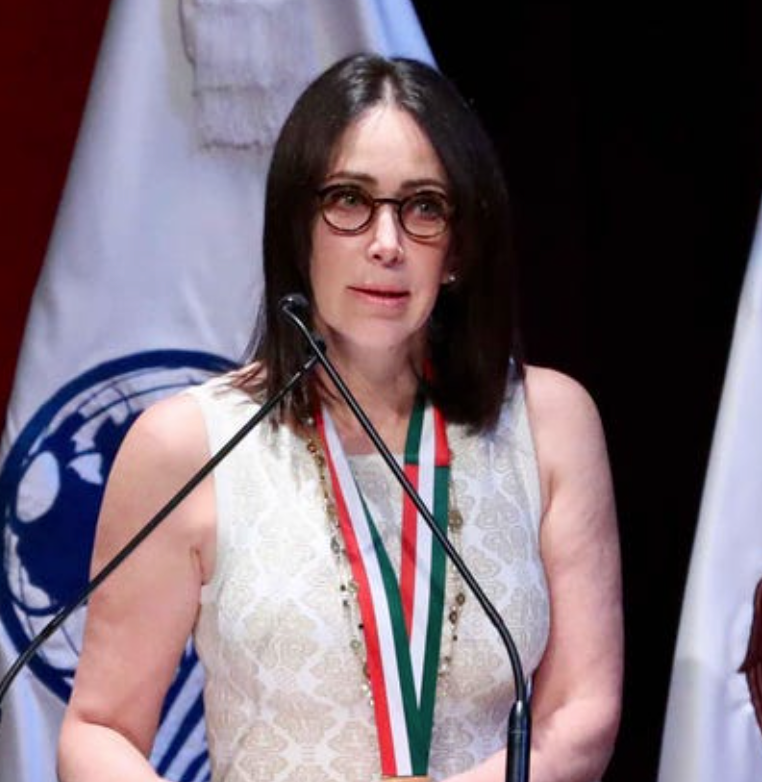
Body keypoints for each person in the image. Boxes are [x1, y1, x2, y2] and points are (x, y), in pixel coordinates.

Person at [57, 53, 623, 782]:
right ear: (299, 231)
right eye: (349, 200)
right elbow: (98, 731)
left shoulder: (549, 423)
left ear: (458, 249)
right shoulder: (189, 444)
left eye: (424, 206)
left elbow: (582, 712)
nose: (386, 242)